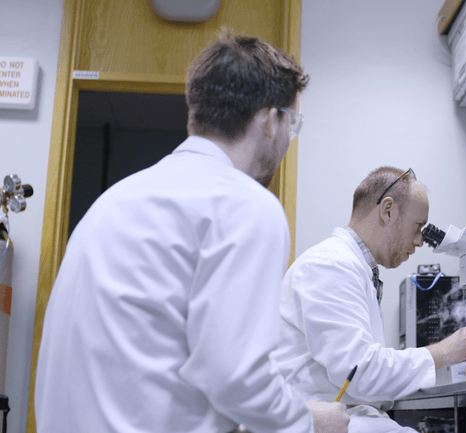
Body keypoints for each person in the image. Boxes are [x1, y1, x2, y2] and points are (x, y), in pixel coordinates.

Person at [35, 32, 349, 433]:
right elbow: (239, 379)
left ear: (194, 115)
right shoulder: (244, 205)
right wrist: (309, 420)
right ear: (272, 120)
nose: (289, 139)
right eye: (293, 123)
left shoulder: (114, 201)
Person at [271, 167, 466, 433]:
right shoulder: (330, 266)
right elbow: (360, 372)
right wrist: (446, 351)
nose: (421, 240)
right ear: (387, 210)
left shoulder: (357, 269)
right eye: (418, 226)